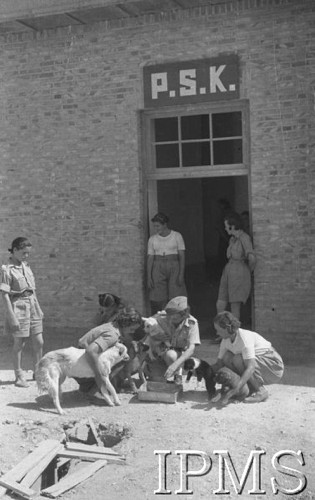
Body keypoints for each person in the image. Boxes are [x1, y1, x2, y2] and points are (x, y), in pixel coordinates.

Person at [211, 311, 284, 403]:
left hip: (273, 366)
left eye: (219, 330)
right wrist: (199, 367)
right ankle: (249, 388)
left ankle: (261, 391)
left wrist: (236, 389)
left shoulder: (244, 339)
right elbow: (219, 363)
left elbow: (251, 367)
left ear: (227, 328)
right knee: (227, 357)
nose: (217, 333)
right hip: (258, 363)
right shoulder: (226, 340)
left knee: (238, 359)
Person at [0, 237, 44, 387]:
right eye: (24, 253)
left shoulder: (26, 265)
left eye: (28, 253)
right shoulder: (7, 269)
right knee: (20, 343)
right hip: (18, 307)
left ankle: (38, 371)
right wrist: (11, 316)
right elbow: (5, 294)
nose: (26, 256)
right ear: (15, 250)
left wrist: (38, 307)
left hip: (33, 305)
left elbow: (32, 290)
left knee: (39, 341)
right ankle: (19, 375)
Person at [79, 306, 143, 394]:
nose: (132, 332)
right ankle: (96, 390)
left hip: (80, 362)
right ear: (124, 325)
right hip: (82, 367)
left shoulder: (111, 326)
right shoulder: (112, 335)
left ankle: (89, 386)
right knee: (123, 358)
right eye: (131, 329)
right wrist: (99, 376)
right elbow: (90, 351)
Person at [145, 296, 200, 383]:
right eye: (169, 316)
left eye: (175, 318)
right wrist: (154, 336)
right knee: (157, 380)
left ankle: (178, 375)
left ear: (184, 315)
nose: (171, 319)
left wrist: (175, 365)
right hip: (160, 353)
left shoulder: (192, 323)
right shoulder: (160, 317)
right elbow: (145, 328)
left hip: (177, 356)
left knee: (171, 355)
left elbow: (191, 349)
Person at [216, 212, 256, 321]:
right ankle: (221, 332)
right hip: (228, 270)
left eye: (226, 226)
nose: (225, 228)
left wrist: (248, 271)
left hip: (239, 270)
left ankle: (234, 333)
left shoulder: (244, 238)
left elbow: (251, 258)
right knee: (220, 302)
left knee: (235, 305)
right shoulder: (232, 239)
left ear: (232, 226)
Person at [147, 212, 187, 315]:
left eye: (158, 226)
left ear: (165, 224)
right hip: (158, 266)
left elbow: (182, 256)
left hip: (174, 265)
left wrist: (181, 274)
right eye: (154, 226)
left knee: (176, 294)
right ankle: (163, 319)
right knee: (159, 296)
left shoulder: (176, 236)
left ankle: (175, 318)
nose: (156, 228)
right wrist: (149, 277)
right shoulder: (152, 239)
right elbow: (150, 258)